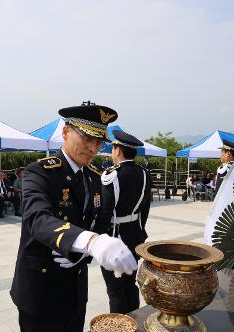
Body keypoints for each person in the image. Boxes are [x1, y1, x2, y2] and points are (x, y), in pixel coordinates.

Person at [10, 102, 137, 332]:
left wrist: (83, 254)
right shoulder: (39, 172)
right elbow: (38, 219)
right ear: (66, 132)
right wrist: (90, 242)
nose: (92, 147)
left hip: (76, 289)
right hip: (41, 290)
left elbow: (100, 219)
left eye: (98, 142)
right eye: (87, 138)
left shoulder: (94, 176)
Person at [99, 130, 152, 314]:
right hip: (135, 234)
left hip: (115, 235)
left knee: (115, 289)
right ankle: (133, 321)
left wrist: (100, 238)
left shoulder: (111, 175)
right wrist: (140, 228)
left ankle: (119, 325)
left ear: (118, 150)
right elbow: (145, 208)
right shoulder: (144, 174)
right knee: (130, 283)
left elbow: (105, 212)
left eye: (113, 148)